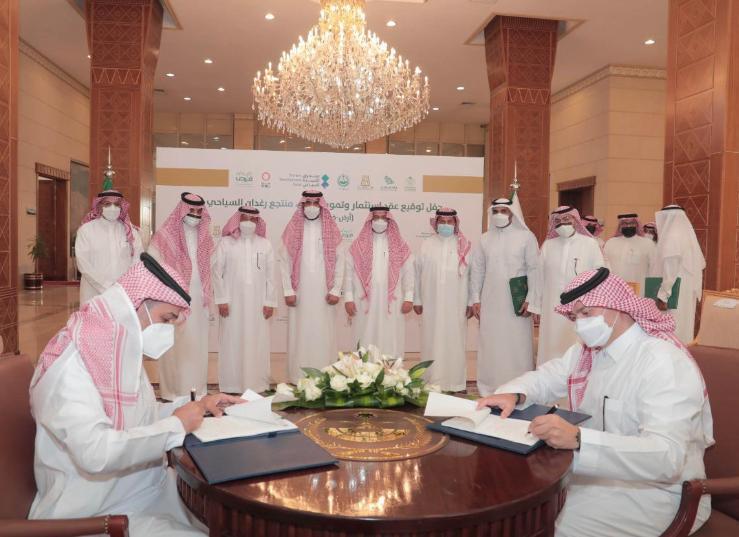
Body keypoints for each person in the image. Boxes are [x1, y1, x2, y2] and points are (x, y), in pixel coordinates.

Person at [476, 267, 713, 537]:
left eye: (586, 313)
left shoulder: (662, 362)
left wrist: (579, 439)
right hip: (597, 477)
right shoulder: (588, 352)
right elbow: (546, 378)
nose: (580, 324)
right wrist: (515, 394)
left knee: (544, 524)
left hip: (660, 494)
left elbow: (666, 458)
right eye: (575, 317)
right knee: (517, 507)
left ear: (618, 307)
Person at [29, 253, 245, 536]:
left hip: (142, 491)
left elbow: (140, 417)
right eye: (166, 319)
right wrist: (176, 425)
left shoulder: (118, 350)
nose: (168, 332)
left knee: (231, 523)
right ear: (137, 306)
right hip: (95, 513)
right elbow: (96, 453)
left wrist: (198, 406)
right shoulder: (73, 365)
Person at [469, 198, 540, 395]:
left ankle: (518, 389)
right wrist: (475, 299)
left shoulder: (526, 237)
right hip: (490, 301)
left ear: (512, 213)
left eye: (504, 211)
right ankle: (489, 388)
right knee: (490, 345)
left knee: (517, 345)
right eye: (496, 211)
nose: (499, 215)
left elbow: (534, 269)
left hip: (516, 301)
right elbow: (477, 270)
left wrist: (531, 299)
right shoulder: (485, 239)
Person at [149, 192, 214, 400]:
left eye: (198, 211)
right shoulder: (164, 237)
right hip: (172, 300)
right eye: (190, 210)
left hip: (198, 300)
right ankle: (174, 392)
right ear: (182, 210)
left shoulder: (205, 238)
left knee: (197, 345)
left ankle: (198, 390)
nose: (194, 215)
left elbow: (211, 269)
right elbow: (152, 267)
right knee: (174, 345)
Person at [278, 191, 344, 382]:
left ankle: (326, 375)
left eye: (316, 202)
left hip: (325, 293)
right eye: (308, 202)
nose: (312, 206)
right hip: (299, 294)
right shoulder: (293, 230)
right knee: (300, 333)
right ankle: (298, 376)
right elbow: (284, 261)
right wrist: (288, 290)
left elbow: (340, 261)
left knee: (324, 333)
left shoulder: (331, 230)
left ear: (321, 206)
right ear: (303, 205)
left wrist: (336, 289)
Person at [212, 206, 276, 393]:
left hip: (258, 305)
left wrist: (270, 302)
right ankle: (232, 384)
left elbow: (271, 276)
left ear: (257, 222)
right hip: (232, 304)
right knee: (232, 342)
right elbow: (216, 272)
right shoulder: (226, 243)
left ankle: (257, 383)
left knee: (258, 342)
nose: (248, 222)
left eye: (252, 219)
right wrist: (221, 299)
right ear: (238, 220)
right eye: (244, 218)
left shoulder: (265, 245)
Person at [529, 206, 604, 365]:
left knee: (575, 344)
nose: (562, 223)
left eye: (566, 219)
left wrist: (594, 304)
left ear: (575, 220)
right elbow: (539, 278)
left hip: (580, 307)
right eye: (558, 220)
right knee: (551, 345)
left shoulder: (589, 244)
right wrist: (536, 306)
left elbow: (599, 275)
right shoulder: (548, 246)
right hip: (551, 307)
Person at [414, 208, 471, 392]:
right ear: (436, 223)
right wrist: (417, 299)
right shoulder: (426, 244)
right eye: (442, 222)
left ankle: (455, 382)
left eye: (449, 222)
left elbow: (471, 277)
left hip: (457, 302)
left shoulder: (464, 246)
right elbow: (417, 274)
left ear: (455, 223)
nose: (446, 225)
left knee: (455, 340)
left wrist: (471, 302)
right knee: (431, 339)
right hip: (431, 302)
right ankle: (431, 381)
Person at [344, 206, 414, 357]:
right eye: (376, 218)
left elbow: (409, 272)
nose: (380, 221)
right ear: (370, 220)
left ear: (389, 221)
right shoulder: (357, 246)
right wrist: (348, 298)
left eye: (383, 218)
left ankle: (390, 369)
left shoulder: (400, 246)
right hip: (364, 302)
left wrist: (409, 297)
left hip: (392, 302)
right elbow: (348, 274)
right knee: (364, 334)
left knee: (390, 336)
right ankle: (363, 369)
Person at [75, 190, 143, 305]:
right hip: (94, 293)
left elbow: (137, 261)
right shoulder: (86, 230)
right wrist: (106, 286)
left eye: (116, 204)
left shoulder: (131, 232)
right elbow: (83, 263)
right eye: (107, 204)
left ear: (121, 207)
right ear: (99, 206)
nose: (113, 208)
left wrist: (124, 286)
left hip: (124, 292)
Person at [654, 205, 706, 343]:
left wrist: (662, 295)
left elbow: (670, 271)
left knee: (673, 325)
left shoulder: (672, 237)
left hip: (674, 290)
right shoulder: (686, 235)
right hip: (686, 288)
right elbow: (701, 264)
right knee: (684, 324)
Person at [603, 213, 657, 295]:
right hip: (615, 289)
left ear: (637, 225)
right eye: (625, 224)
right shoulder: (610, 243)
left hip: (640, 288)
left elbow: (654, 267)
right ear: (620, 226)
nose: (628, 226)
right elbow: (605, 264)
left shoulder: (648, 244)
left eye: (632, 223)